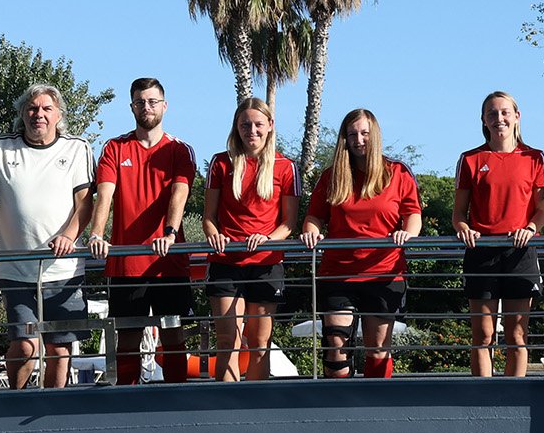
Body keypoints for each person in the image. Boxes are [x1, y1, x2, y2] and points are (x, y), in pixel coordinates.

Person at [0, 84, 93, 389]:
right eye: (32, 108)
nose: (38, 114)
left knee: (59, 348)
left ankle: (51, 411)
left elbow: (86, 203)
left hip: (63, 269)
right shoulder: (2, 147)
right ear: (22, 114)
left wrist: (68, 235)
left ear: (58, 115)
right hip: (16, 269)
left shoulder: (77, 148)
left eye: (46, 109)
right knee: (26, 345)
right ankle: (16, 398)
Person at [88, 77, 196, 387]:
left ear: (164, 105)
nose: (146, 107)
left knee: (174, 334)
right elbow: (105, 195)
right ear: (132, 106)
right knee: (127, 338)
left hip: (168, 261)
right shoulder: (115, 147)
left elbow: (180, 193)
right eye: (140, 102)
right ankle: (127, 401)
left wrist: (171, 232)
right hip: (127, 263)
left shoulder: (179, 149)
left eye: (151, 101)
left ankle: (178, 398)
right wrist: (97, 234)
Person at [301, 109, 422, 379]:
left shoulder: (397, 172)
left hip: (384, 272)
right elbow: (314, 217)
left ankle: (376, 409)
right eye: (352, 134)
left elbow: (413, 214)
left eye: (364, 133)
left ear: (375, 135)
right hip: (338, 273)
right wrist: (311, 231)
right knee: (336, 344)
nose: (359, 139)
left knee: (378, 349)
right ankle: (338, 408)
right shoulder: (331, 176)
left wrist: (407, 233)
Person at [204, 98, 301, 381]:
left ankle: (255, 409)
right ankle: (226, 408)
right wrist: (215, 236)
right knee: (227, 342)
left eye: (258, 124)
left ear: (270, 126)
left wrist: (268, 239)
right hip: (225, 262)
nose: (252, 130)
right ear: (237, 126)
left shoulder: (286, 166)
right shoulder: (221, 162)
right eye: (245, 124)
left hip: (266, 263)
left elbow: (288, 223)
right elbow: (208, 218)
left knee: (259, 343)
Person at [455, 92, 544, 377]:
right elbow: (459, 214)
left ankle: (514, 400)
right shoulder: (471, 159)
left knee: (517, 336)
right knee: (483, 336)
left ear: (517, 116)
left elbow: (542, 212)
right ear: (484, 120)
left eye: (505, 112)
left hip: (520, 253)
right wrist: (464, 229)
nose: (499, 119)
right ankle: (482, 400)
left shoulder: (534, 158)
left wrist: (530, 228)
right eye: (492, 114)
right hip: (481, 253)